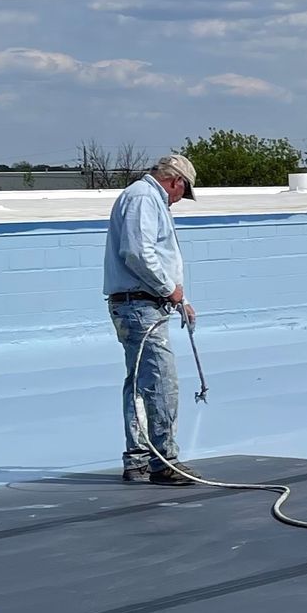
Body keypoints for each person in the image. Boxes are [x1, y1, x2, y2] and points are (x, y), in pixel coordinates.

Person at [104, 151, 198, 481]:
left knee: (141, 384)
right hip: (139, 306)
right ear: (176, 181)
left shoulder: (146, 199)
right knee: (160, 381)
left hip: (141, 304)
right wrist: (168, 288)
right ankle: (164, 461)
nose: (178, 200)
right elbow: (137, 252)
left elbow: (151, 253)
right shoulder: (144, 198)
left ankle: (139, 458)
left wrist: (179, 298)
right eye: (181, 193)